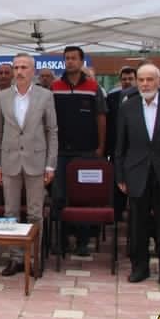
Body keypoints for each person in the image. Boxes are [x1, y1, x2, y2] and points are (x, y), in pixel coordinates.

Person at [116, 63, 160, 286]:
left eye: (149, 80)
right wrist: (120, 176)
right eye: (141, 80)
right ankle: (140, 267)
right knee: (138, 224)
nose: (145, 84)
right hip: (136, 173)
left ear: (158, 81)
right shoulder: (127, 107)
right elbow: (120, 146)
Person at [0, 53, 58, 276]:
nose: (19, 71)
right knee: (10, 212)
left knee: (35, 213)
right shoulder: (2, 97)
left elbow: (52, 131)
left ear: (33, 71)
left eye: (24, 67)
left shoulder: (45, 96)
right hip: (9, 161)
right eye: (16, 67)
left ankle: (34, 258)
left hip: (36, 161)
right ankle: (15, 258)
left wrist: (50, 165)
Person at [51, 46, 107, 256]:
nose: (70, 61)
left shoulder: (93, 87)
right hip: (60, 151)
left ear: (82, 61)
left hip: (86, 151)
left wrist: (101, 146)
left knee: (83, 196)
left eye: (74, 58)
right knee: (59, 196)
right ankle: (62, 240)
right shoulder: (55, 87)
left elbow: (101, 117)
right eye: (67, 58)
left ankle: (83, 242)